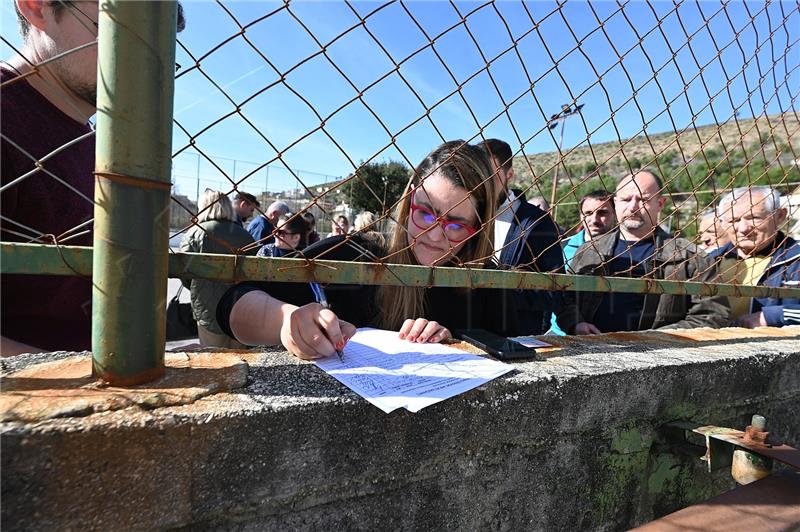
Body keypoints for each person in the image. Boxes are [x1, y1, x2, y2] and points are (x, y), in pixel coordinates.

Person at [216, 141, 523, 360]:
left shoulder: (486, 282)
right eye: (425, 213)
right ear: (408, 203)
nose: (434, 233)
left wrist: (455, 343)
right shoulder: (358, 254)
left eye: (455, 224)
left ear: (478, 228)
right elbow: (232, 305)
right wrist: (286, 321)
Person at [1, 1, 184, 355]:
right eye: (122, 35)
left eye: (159, 52)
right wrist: (82, 384)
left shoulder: (108, 147)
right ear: (38, 8)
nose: (146, 66)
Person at [559, 170, 729, 334]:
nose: (633, 207)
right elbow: (566, 300)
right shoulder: (588, 251)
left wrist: (651, 339)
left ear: (660, 203)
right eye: (626, 199)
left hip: (659, 356)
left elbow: (711, 315)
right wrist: (576, 323)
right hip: (591, 349)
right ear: (616, 203)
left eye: (643, 199)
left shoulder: (690, 257)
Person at [480, 138, 564, 335]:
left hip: (515, 339)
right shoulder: (464, 216)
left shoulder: (538, 222)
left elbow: (556, 292)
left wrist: (500, 292)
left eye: (489, 175)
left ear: (509, 175)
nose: (480, 183)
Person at [711, 186, 799, 328]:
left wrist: (772, 316)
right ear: (721, 223)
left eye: (754, 218)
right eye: (734, 220)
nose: (743, 228)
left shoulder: (796, 259)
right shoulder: (709, 261)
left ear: (780, 216)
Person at [180, 190, 255, 348]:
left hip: (207, 303)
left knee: (213, 356)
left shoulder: (195, 233)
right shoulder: (245, 235)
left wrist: (197, 287)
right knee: (241, 357)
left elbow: (184, 273)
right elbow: (255, 273)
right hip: (240, 303)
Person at [549, 189, 616, 335]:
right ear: (581, 216)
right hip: (560, 331)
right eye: (588, 213)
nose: (594, 219)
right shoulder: (562, 247)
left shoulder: (622, 251)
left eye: (602, 213)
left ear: (615, 214)